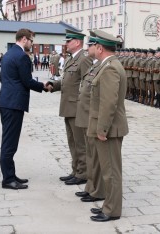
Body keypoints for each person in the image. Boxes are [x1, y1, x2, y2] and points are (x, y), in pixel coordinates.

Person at [0, 28, 51, 190]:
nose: (32, 44)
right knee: (9, 143)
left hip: (6, 101)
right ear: (24, 39)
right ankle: (7, 179)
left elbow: (2, 78)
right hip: (13, 103)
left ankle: (11, 175)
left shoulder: (8, 54)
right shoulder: (22, 56)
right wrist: (43, 86)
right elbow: (27, 81)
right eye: (31, 41)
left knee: (9, 140)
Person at [87, 30, 128, 222]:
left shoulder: (110, 68)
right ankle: (108, 204)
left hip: (109, 129)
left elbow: (108, 102)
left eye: (93, 45)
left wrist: (102, 129)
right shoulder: (108, 65)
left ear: (99, 47)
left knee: (111, 171)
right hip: (108, 128)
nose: (92, 48)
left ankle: (112, 210)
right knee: (107, 169)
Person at [48, 29, 92, 185]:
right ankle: (76, 170)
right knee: (72, 141)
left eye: (68, 41)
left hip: (78, 108)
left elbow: (88, 85)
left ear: (77, 42)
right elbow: (67, 81)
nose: (66, 44)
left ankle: (83, 172)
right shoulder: (70, 59)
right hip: (68, 107)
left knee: (80, 142)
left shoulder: (84, 59)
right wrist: (53, 85)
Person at [74, 32, 105, 203]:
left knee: (95, 155)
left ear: (98, 47)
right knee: (91, 155)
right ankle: (91, 187)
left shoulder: (102, 66)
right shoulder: (94, 65)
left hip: (93, 117)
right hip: (87, 115)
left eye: (90, 45)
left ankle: (97, 189)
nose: (87, 48)